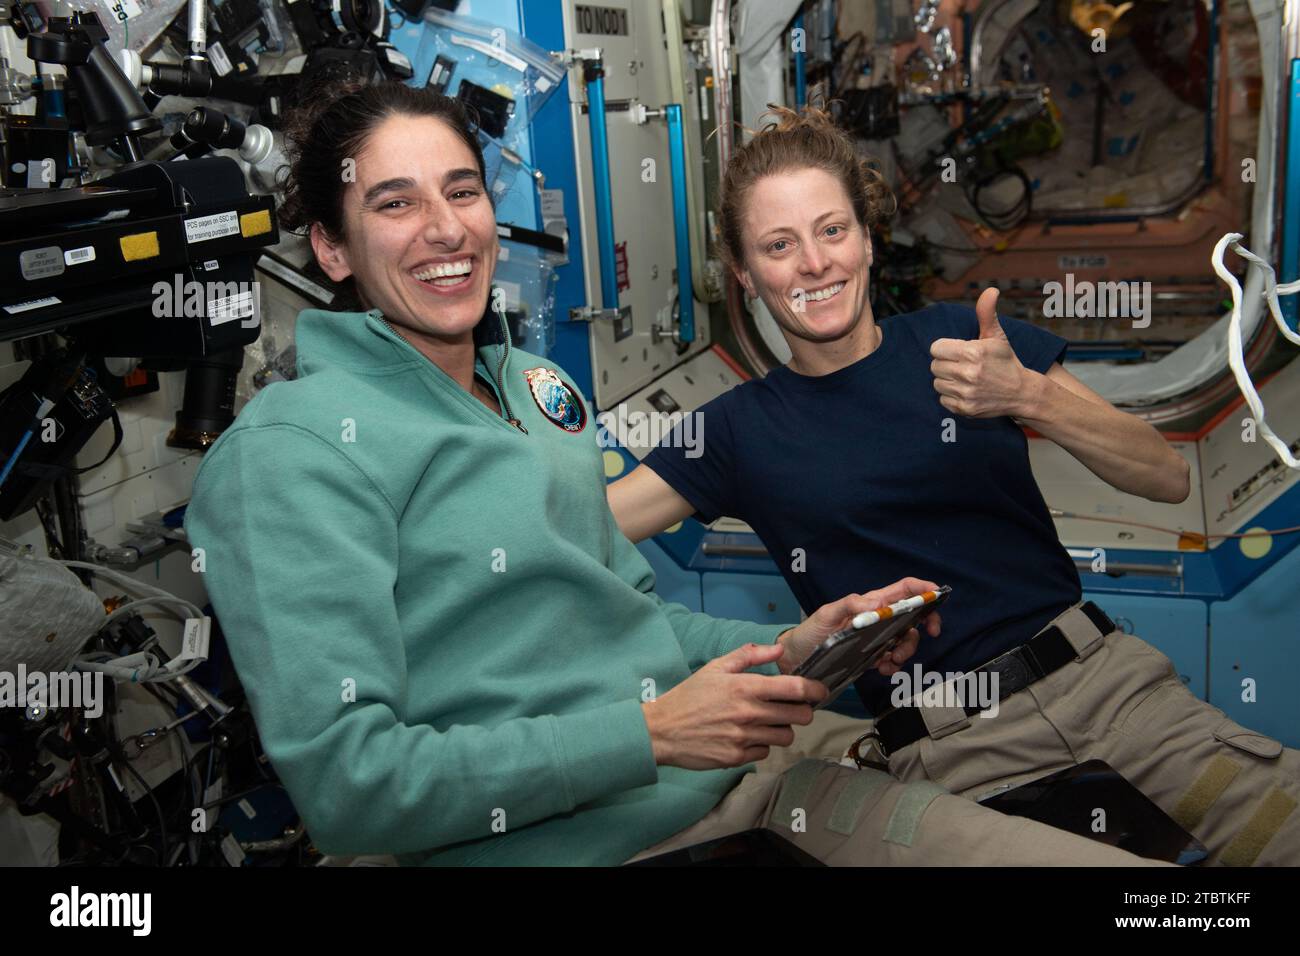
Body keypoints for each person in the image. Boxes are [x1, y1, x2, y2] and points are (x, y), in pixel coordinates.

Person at [185, 81, 1166, 866]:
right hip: (618, 826)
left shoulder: (533, 389)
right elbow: (352, 789)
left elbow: (627, 614)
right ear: (328, 245)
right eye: (393, 203)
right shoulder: (293, 451)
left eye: (462, 190)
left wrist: (802, 648)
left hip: (755, 771)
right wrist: (649, 732)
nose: (445, 229)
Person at [608, 106, 1300, 866]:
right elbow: (580, 536)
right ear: (744, 274)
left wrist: (1029, 396)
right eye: (779, 245)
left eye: (832, 231)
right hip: (951, 749)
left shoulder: (967, 343)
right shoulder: (736, 430)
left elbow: (1163, 475)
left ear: (867, 240)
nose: (814, 263)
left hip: (1114, 692)